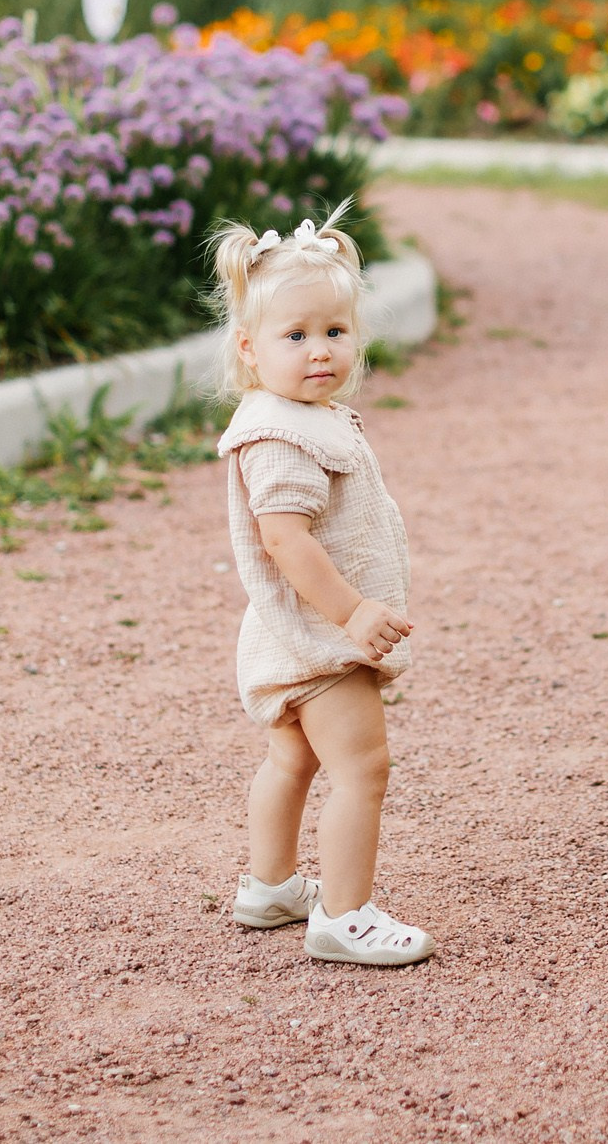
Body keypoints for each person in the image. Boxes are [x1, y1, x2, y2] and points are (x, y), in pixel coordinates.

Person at [208, 203, 433, 966]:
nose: (319, 351)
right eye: (295, 335)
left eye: (334, 332)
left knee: (292, 759)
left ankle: (270, 885)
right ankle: (345, 915)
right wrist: (355, 610)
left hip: (289, 637)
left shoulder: (300, 414)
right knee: (363, 766)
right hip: (318, 640)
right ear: (249, 348)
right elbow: (285, 540)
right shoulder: (280, 436)